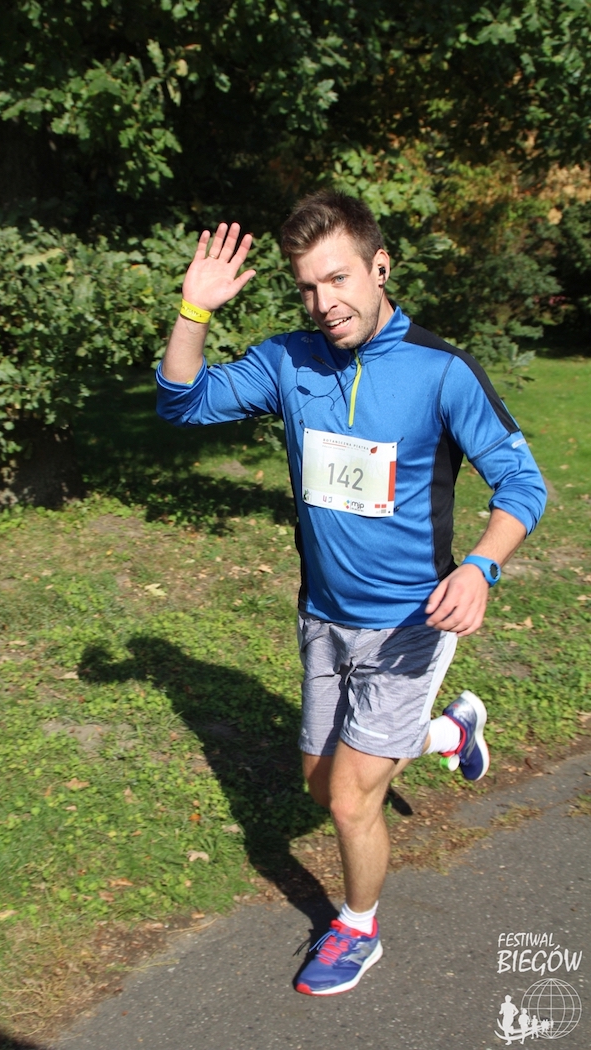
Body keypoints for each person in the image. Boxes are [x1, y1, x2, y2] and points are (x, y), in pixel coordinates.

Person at [156, 191, 546, 996]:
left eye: (338, 279)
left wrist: (480, 567)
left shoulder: (441, 371)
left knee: (347, 798)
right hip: (324, 619)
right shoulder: (289, 361)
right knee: (319, 782)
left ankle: (357, 929)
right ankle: (449, 733)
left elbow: (522, 483)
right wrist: (195, 310)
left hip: (410, 623)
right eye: (307, 286)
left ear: (380, 267)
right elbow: (182, 402)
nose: (323, 302)